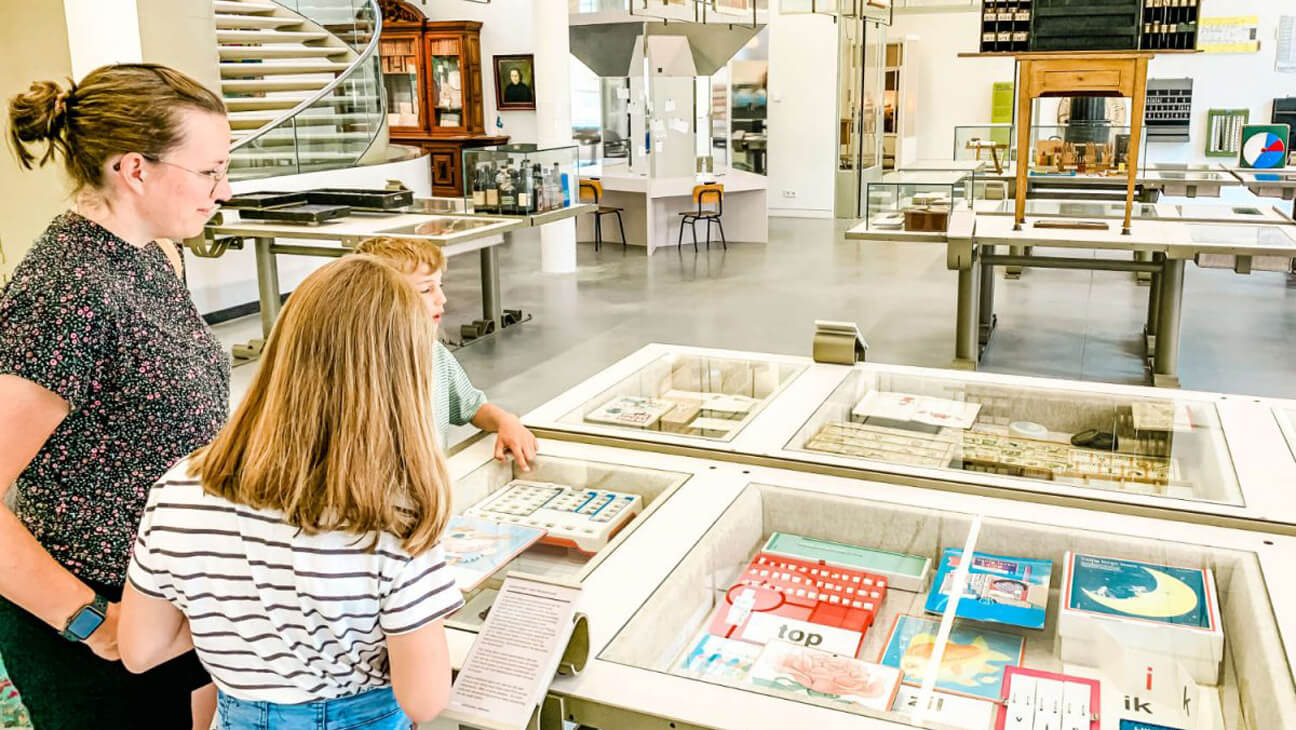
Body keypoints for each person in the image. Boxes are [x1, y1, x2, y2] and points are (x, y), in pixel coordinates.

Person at [117, 255, 463, 729]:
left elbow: (140, 650)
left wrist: (250, 624)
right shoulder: (392, 517)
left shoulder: (178, 487)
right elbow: (424, 699)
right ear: (401, 376)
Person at [0, 63, 232, 729]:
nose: (223, 189)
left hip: (170, 602)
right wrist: (94, 622)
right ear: (134, 169)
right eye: (208, 171)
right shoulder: (66, 291)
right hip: (97, 625)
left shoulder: (155, 252)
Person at [355, 236, 538, 469]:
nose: (442, 299)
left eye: (439, 286)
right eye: (425, 290)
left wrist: (506, 420)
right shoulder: (356, 369)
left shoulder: (436, 355)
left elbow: (472, 407)